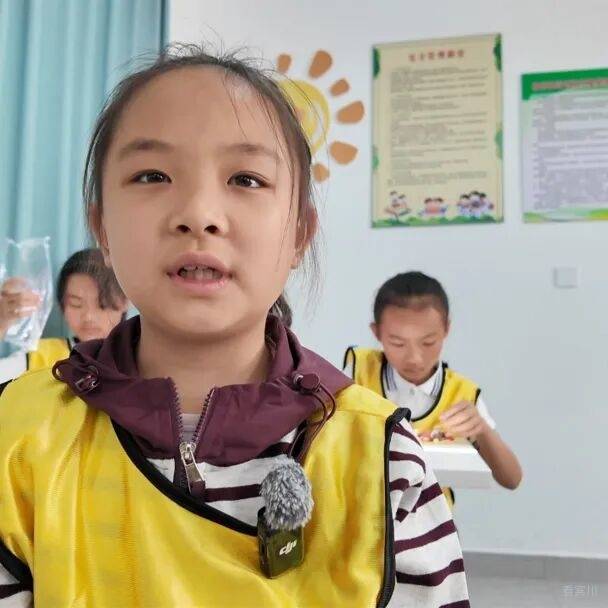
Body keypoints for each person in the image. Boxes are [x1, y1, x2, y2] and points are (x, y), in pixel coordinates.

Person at [0, 47, 470, 607]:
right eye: (152, 175)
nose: (199, 214)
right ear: (101, 225)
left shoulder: (382, 460)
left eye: (246, 179)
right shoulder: (18, 436)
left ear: (299, 233)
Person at [344, 271, 522, 508]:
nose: (414, 358)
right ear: (376, 333)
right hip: (368, 516)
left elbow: (511, 479)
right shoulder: (358, 372)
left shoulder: (461, 394)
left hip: (433, 521)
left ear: (446, 329)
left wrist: (481, 429)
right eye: (398, 343)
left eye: (428, 342)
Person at [0, 248, 128, 380]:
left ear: (125, 301)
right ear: (62, 304)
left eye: (103, 304)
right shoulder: (40, 356)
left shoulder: (138, 357)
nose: (88, 317)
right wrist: (2, 322)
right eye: (76, 304)